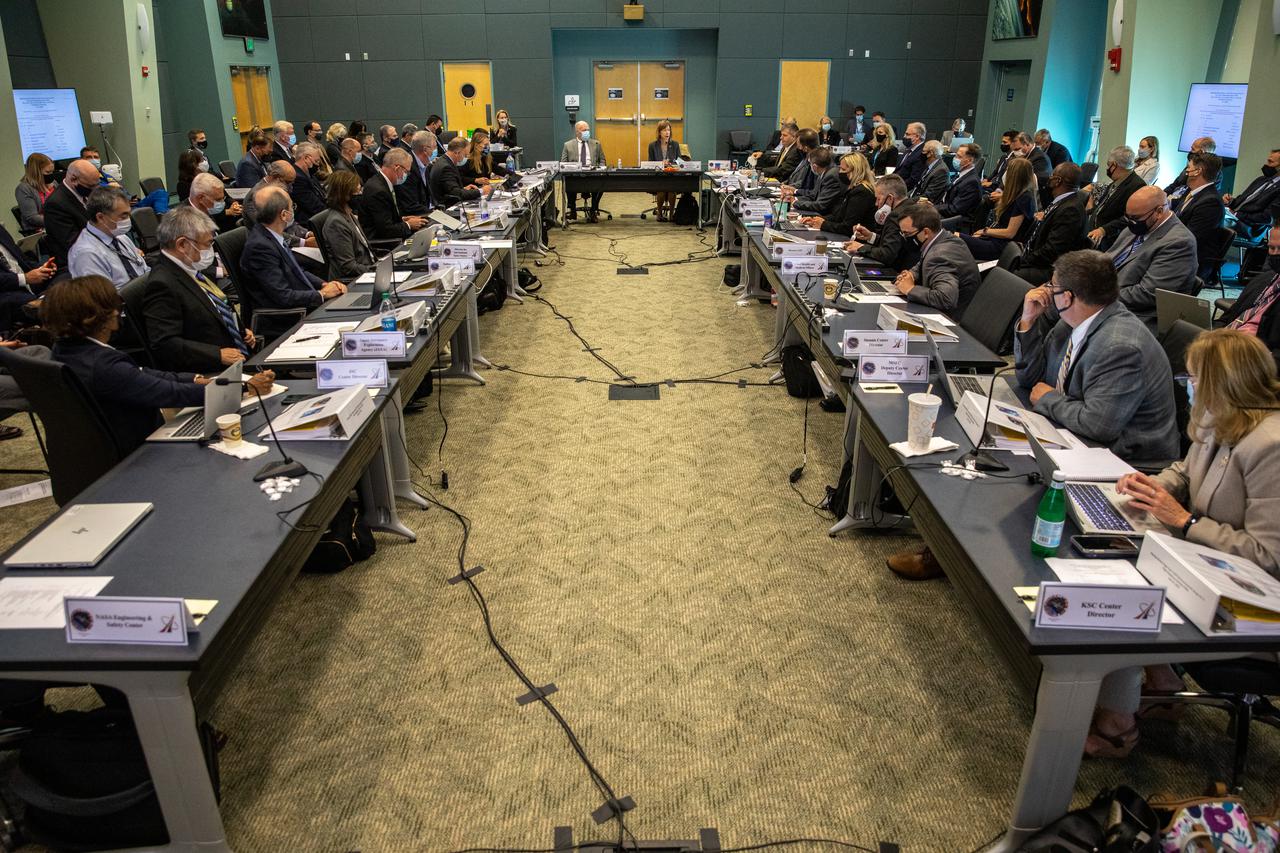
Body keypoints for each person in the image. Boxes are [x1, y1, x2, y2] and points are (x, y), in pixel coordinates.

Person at [1090, 329, 1280, 758]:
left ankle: (1118, 728)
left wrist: (1185, 520)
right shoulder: (1222, 418)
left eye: (1193, 378)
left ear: (1219, 383)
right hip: (1211, 569)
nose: (1188, 386)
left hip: (1257, 604)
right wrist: (1152, 486)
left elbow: (1269, 558)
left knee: (1130, 596)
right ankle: (1163, 684)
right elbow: (1185, 468)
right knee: (1123, 559)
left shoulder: (1271, 446)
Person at [44, 275, 273, 452]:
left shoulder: (65, 350)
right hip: (138, 451)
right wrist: (243, 388)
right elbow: (169, 393)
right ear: (103, 316)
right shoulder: (105, 366)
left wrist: (194, 379)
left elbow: (142, 374)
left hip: (98, 450)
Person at [142, 205, 255, 374]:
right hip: (210, 371)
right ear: (182, 244)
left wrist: (240, 330)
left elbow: (217, 306)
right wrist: (217, 354)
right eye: (207, 244)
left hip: (238, 353)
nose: (210, 250)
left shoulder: (190, 268)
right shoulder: (161, 284)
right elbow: (165, 343)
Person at [240, 186, 346, 314]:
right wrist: (321, 294)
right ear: (284, 215)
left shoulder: (271, 235)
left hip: (303, 303)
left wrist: (324, 285)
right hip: (289, 316)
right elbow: (283, 296)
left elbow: (296, 270)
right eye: (292, 206)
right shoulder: (259, 248)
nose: (293, 210)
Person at [1107, 185, 1198, 328]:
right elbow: (1108, 258)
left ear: (1159, 212)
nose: (1130, 222)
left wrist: (1099, 294)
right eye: (1127, 216)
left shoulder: (1179, 242)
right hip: (1110, 294)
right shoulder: (1136, 226)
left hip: (1136, 314)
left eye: (1135, 217)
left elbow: (1147, 294)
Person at [892, 204, 981, 315]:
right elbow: (923, 262)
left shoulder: (938, 256)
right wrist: (911, 275)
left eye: (907, 234)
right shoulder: (945, 237)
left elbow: (946, 298)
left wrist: (910, 289)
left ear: (926, 232)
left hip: (951, 318)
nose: (904, 238)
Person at [1012, 162, 1088, 285]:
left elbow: (1052, 252)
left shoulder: (1070, 210)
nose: (1049, 178)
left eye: (1052, 175)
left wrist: (1022, 261)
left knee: (1005, 273)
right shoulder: (1063, 202)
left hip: (1052, 270)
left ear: (1057, 181)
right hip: (1039, 258)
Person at [1220, 228, 1280, 369]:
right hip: (1225, 342)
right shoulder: (1265, 279)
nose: (1275, 253)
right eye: (1272, 248)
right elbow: (1229, 316)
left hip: (1250, 361)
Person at [67, 188, 146, 289]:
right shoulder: (86, 254)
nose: (128, 219)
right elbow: (103, 296)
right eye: (123, 216)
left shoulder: (121, 237)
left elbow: (144, 269)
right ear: (101, 217)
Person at [960, 157, 1037, 261]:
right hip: (995, 239)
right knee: (954, 238)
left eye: (1008, 170)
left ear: (1014, 175)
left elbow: (1010, 233)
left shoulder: (1024, 198)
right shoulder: (1017, 195)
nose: (1005, 174)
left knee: (956, 238)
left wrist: (985, 231)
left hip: (1002, 247)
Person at [843, 174, 919, 269]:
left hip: (897, 271)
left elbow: (887, 254)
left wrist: (860, 247)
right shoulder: (913, 207)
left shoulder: (895, 215)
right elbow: (897, 245)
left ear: (890, 198)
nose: (876, 204)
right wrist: (871, 236)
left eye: (878, 199)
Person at [1174, 152, 1227, 278]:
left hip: (1190, 261)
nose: (1186, 171)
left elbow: (1190, 238)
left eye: (1188, 168)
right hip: (1178, 251)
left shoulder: (1211, 202)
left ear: (1198, 171)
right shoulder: (1192, 192)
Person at [1085, 145, 1146, 250]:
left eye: (1108, 165)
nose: (1107, 168)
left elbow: (1129, 218)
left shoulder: (1137, 185)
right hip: (1094, 230)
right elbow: (1101, 207)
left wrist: (1103, 230)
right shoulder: (1117, 181)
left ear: (1114, 165)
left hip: (1107, 238)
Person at [800, 152, 876, 236]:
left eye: (843, 169)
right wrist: (815, 220)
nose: (840, 172)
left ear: (855, 171)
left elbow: (848, 227)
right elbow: (838, 216)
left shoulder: (861, 192)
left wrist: (823, 224)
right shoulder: (853, 188)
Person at [44, 159, 99, 272]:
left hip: (94, 251)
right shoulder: (56, 204)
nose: (94, 189)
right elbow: (72, 242)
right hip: (75, 262)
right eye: (90, 186)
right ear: (73, 179)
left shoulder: (83, 193)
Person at [321, 170, 375, 283]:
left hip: (367, 269)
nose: (360, 194)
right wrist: (375, 270)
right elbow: (348, 266)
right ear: (344, 195)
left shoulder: (349, 214)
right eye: (357, 192)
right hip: (353, 280)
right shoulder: (336, 223)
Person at [364, 148, 429, 240]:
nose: (406, 175)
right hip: (384, 242)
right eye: (406, 172)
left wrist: (402, 219)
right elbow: (385, 229)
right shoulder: (377, 190)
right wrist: (408, 225)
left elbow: (385, 218)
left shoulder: (382, 182)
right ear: (397, 168)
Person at [0, 221, 55, 329]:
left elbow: (22, 260)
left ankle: (45, 298)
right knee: (40, 303)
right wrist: (25, 278)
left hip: (28, 281)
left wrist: (42, 268)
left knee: (65, 272)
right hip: (7, 293)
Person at [1224, 148, 1280, 240]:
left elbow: (1267, 218)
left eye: (1270, 162)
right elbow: (1243, 201)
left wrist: (1237, 214)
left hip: (1249, 228)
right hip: (1233, 217)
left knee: (1212, 218)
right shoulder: (1261, 179)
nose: (1266, 164)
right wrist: (1230, 202)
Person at [560, 121, 606, 221]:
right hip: (576, 176)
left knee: (600, 185)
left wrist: (600, 169)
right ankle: (572, 211)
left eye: (588, 130)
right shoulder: (568, 145)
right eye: (584, 130)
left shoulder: (596, 144)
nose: (587, 132)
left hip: (592, 175)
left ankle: (593, 210)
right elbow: (563, 163)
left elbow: (602, 160)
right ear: (577, 132)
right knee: (569, 183)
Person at [788, 147, 842, 217]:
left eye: (809, 164)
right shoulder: (824, 171)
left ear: (814, 167)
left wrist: (795, 203)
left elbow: (821, 205)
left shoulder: (831, 176)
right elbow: (813, 195)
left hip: (827, 216)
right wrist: (793, 199)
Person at [935, 142, 982, 222]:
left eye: (959, 156)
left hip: (954, 221)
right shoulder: (961, 174)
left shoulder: (972, 182)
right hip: (945, 212)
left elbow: (954, 209)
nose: (955, 158)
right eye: (956, 155)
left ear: (969, 160)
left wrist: (934, 208)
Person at [647, 120, 684, 221]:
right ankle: (659, 214)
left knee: (672, 189)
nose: (667, 132)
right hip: (658, 176)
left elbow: (680, 161)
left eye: (668, 130)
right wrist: (660, 163)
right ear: (659, 132)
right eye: (664, 130)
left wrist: (671, 163)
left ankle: (671, 214)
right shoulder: (652, 146)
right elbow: (650, 163)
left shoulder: (675, 145)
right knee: (661, 189)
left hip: (672, 175)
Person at [395, 130, 436, 217]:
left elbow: (428, 195)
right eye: (434, 147)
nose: (435, 151)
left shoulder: (425, 165)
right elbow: (410, 205)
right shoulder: (407, 168)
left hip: (426, 212)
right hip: (414, 217)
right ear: (425, 150)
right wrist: (434, 214)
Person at [15, 153, 55, 233]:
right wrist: (57, 220)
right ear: (36, 172)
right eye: (47, 172)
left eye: (52, 172)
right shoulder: (24, 189)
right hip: (39, 230)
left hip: (56, 225)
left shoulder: (53, 183)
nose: (51, 175)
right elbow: (32, 218)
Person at [288, 142, 327, 226]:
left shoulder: (309, 174)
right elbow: (314, 206)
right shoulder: (297, 178)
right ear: (306, 158)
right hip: (310, 222)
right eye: (316, 161)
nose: (318, 165)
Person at [895, 122, 928, 190]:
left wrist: (895, 187)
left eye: (907, 134)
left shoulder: (922, 153)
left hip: (903, 189)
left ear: (917, 137)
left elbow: (914, 179)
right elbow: (899, 170)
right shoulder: (909, 150)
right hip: (896, 183)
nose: (904, 136)